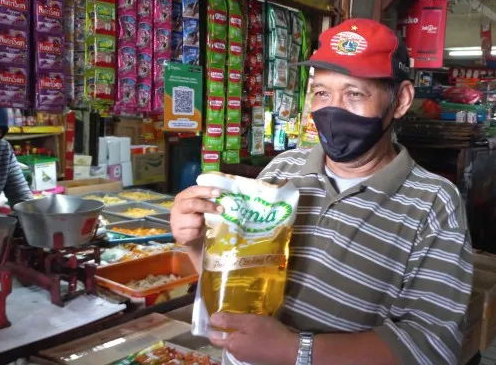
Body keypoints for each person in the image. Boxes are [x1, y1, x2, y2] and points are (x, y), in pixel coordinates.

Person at [172, 19, 473, 365]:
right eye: (321, 93)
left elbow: (432, 346)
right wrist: (196, 243)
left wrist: (292, 350)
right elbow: (237, 276)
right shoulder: (282, 170)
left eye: (354, 93)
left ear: (401, 100)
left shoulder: (434, 203)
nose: (333, 110)